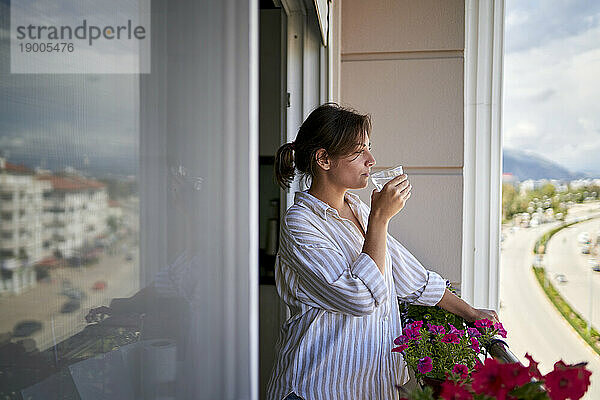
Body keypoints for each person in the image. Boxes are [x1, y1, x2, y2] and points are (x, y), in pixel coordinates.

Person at [266, 103, 499, 400]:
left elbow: (413, 278)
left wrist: (472, 313)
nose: (371, 160)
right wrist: (381, 218)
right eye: (359, 151)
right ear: (323, 158)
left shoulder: (359, 210)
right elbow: (360, 297)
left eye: (369, 149)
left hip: (368, 389)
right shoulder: (300, 224)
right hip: (318, 387)